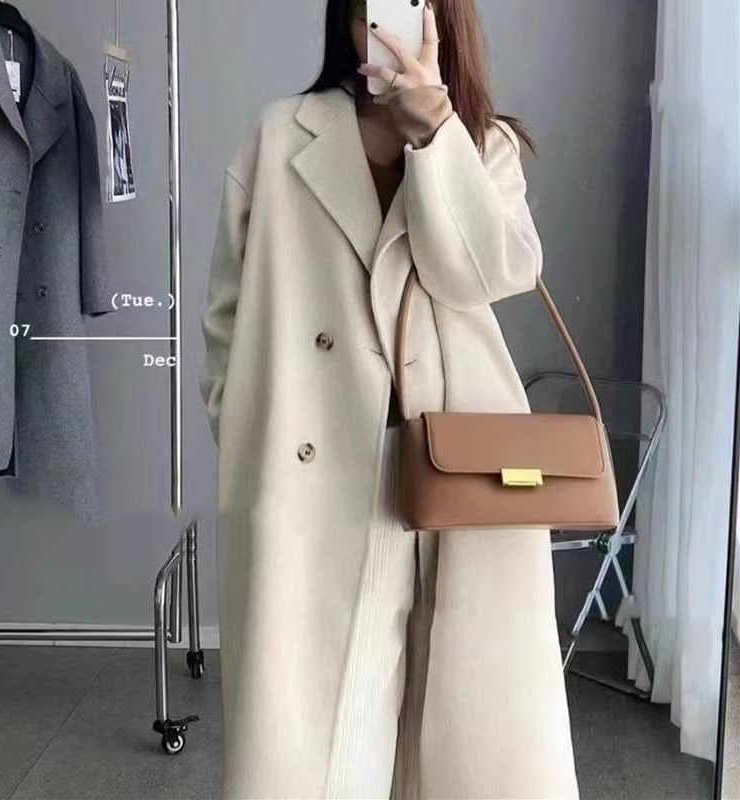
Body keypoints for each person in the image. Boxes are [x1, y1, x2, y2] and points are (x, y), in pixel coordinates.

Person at [199, 1, 579, 797]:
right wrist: (243, 428)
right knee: (316, 750)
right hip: (312, 475)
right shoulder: (280, 135)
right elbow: (227, 315)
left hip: (458, 471)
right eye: (367, 6)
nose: (384, 23)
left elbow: (488, 274)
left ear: (443, 20)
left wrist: (436, 133)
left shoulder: (484, 143)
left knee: (462, 734)